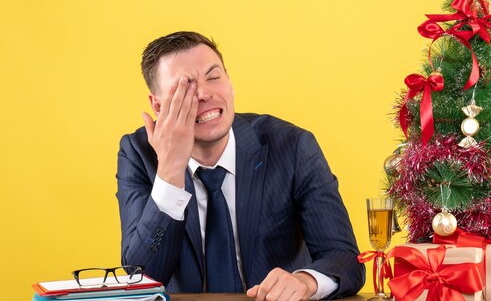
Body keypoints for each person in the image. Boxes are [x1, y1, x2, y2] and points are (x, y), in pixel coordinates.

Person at [116, 31, 365, 300]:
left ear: (230, 82)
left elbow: (345, 259)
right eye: (184, 88)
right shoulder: (138, 153)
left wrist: (306, 282)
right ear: (158, 105)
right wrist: (170, 171)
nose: (203, 94)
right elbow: (140, 281)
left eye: (214, 77)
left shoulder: (292, 146)